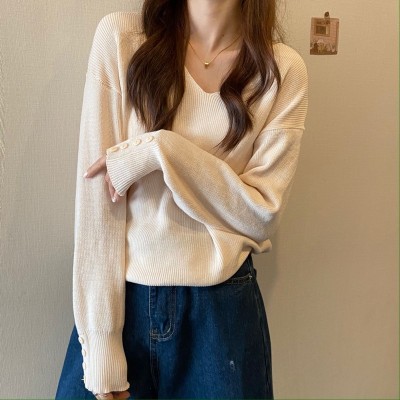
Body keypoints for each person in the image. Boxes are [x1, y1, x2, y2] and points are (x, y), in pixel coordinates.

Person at [55, 0, 308, 399]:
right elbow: (97, 204)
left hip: (222, 315)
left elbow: (262, 212)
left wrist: (162, 152)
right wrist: (101, 343)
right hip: (124, 303)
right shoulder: (121, 39)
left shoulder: (281, 70)